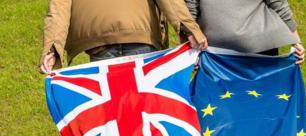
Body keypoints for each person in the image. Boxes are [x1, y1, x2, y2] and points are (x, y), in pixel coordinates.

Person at [39, 0, 208, 74]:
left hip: (99, 42)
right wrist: (189, 29)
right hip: (142, 36)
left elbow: (58, 9)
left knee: (114, 115)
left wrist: (52, 48)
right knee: (143, 112)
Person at [184, 0, 305, 64]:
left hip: (217, 52)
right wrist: (296, 41)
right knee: (263, 98)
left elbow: (190, 10)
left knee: (222, 105)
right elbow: (278, 3)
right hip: (259, 42)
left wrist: (191, 50)